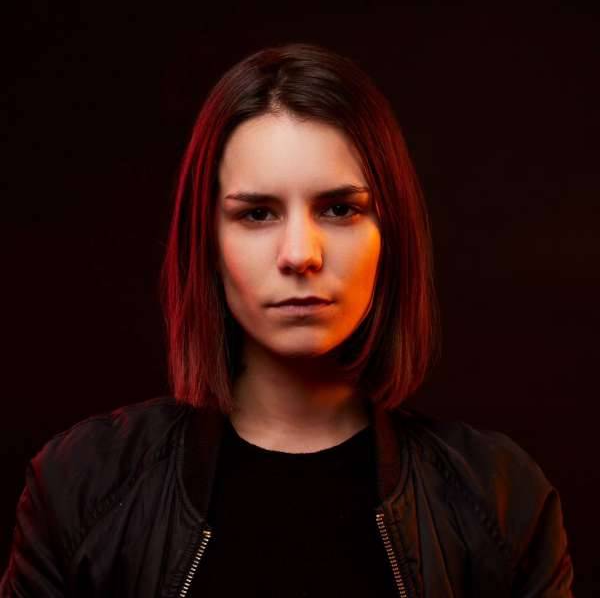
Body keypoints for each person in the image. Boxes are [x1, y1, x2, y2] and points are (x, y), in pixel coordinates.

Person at [1, 42, 574, 597]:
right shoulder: (80, 489)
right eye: (257, 213)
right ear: (208, 243)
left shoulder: (500, 502)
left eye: (340, 209)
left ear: (392, 235)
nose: (300, 254)